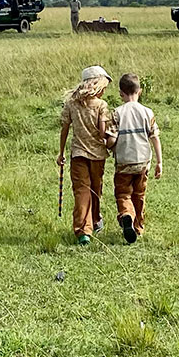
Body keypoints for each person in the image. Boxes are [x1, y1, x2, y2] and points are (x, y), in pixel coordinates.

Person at [57, 65, 115, 245]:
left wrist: (61, 153)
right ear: (97, 84)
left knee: (81, 191)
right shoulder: (101, 105)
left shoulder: (71, 104)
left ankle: (83, 230)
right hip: (98, 155)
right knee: (96, 189)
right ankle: (96, 220)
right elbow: (102, 132)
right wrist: (112, 138)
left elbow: (65, 128)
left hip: (78, 155)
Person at [110, 73, 162, 243]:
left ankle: (126, 216)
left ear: (120, 93)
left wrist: (107, 145)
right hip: (143, 162)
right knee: (139, 194)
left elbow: (111, 139)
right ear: (139, 91)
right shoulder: (148, 112)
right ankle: (138, 227)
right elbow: (154, 137)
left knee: (123, 193)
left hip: (124, 162)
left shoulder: (117, 113)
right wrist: (159, 162)